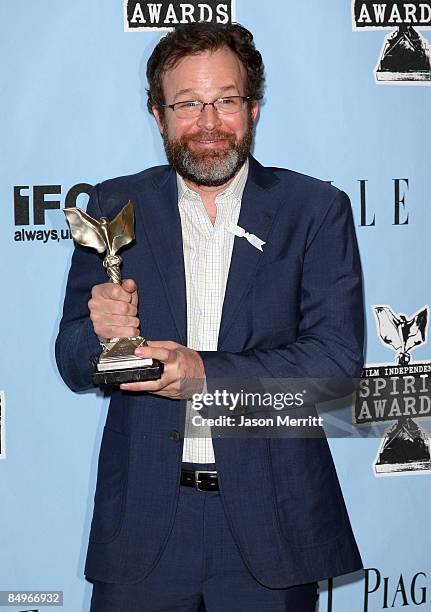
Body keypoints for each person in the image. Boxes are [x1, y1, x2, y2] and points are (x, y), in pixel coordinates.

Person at [56, 22, 364, 612]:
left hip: (272, 522)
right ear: (158, 115)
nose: (208, 123)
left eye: (225, 101)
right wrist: (98, 336)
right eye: (188, 104)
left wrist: (201, 372)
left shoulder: (316, 210)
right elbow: (71, 360)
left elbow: (336, 364)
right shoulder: (112, 207)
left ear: (252, 108)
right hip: (144, 525)